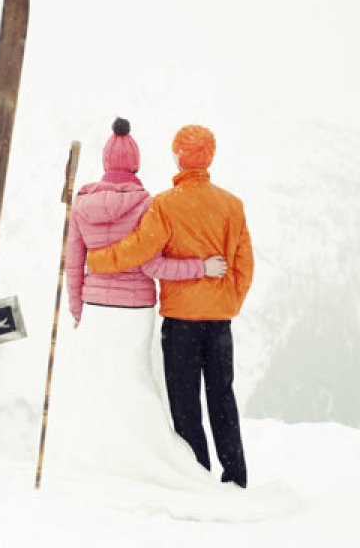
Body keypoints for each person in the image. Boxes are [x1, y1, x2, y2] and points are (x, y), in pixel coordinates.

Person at [51, 117, 228, 490]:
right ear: (136, 164)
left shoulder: (81, 203)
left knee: (102, 385)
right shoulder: (148, 204)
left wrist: (78, 310)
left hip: (97, 306)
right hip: (136, 311)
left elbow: (72, 262)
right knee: (136, 383)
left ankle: (108, 462)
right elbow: (152, 263)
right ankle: (153, 457)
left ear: (104, 162)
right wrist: (202, 267)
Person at [87, 124, 253, 488]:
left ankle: (199, 477)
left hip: (181, 323)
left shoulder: (165, 205)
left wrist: (96, 261)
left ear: (178, 156)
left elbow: (137, 251)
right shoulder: (232, 205)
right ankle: (236, 476)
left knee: (185, 403)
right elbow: (244, 266)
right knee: (222, 398)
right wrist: (228, 302)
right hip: (219, 321)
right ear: (210, 156)